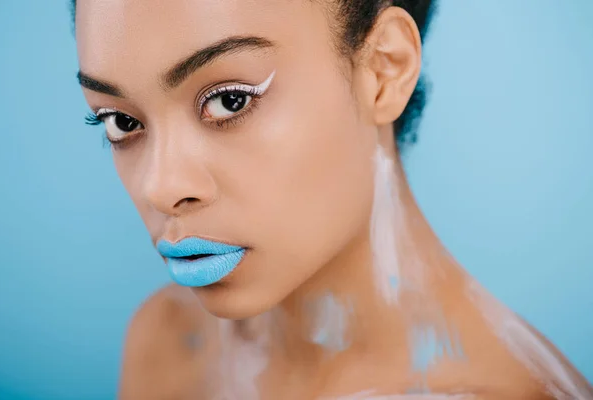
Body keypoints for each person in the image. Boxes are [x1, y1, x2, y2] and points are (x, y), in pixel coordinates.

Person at [72, 0, 593, 399]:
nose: (160, 187)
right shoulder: (168, 343)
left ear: (384, 69)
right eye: (122, 122)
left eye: (229, 100)